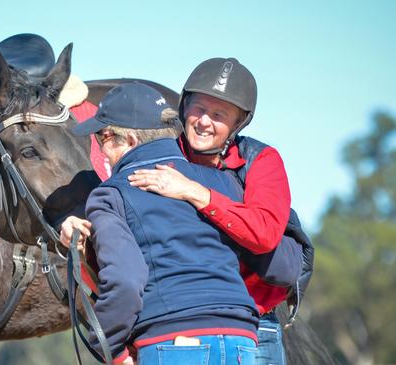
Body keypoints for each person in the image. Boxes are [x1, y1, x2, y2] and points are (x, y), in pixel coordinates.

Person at [128, 58, 314, 365]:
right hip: (178, 324)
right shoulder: (159, 158)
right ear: (184, 107)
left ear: (237, 124)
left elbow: (265, 234)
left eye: (218, 115)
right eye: (199, 108)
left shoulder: (262, 160)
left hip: (256, 325)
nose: (204, 121)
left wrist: (195, 192)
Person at [63, 82, 259, 365]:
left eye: (102, 138)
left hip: (172, 341)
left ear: (129, 140)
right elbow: (275, 264)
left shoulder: (110, 195)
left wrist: (108, 347)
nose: (101, 151)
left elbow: (125, 280)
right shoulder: (222, 182)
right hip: (242, 339)